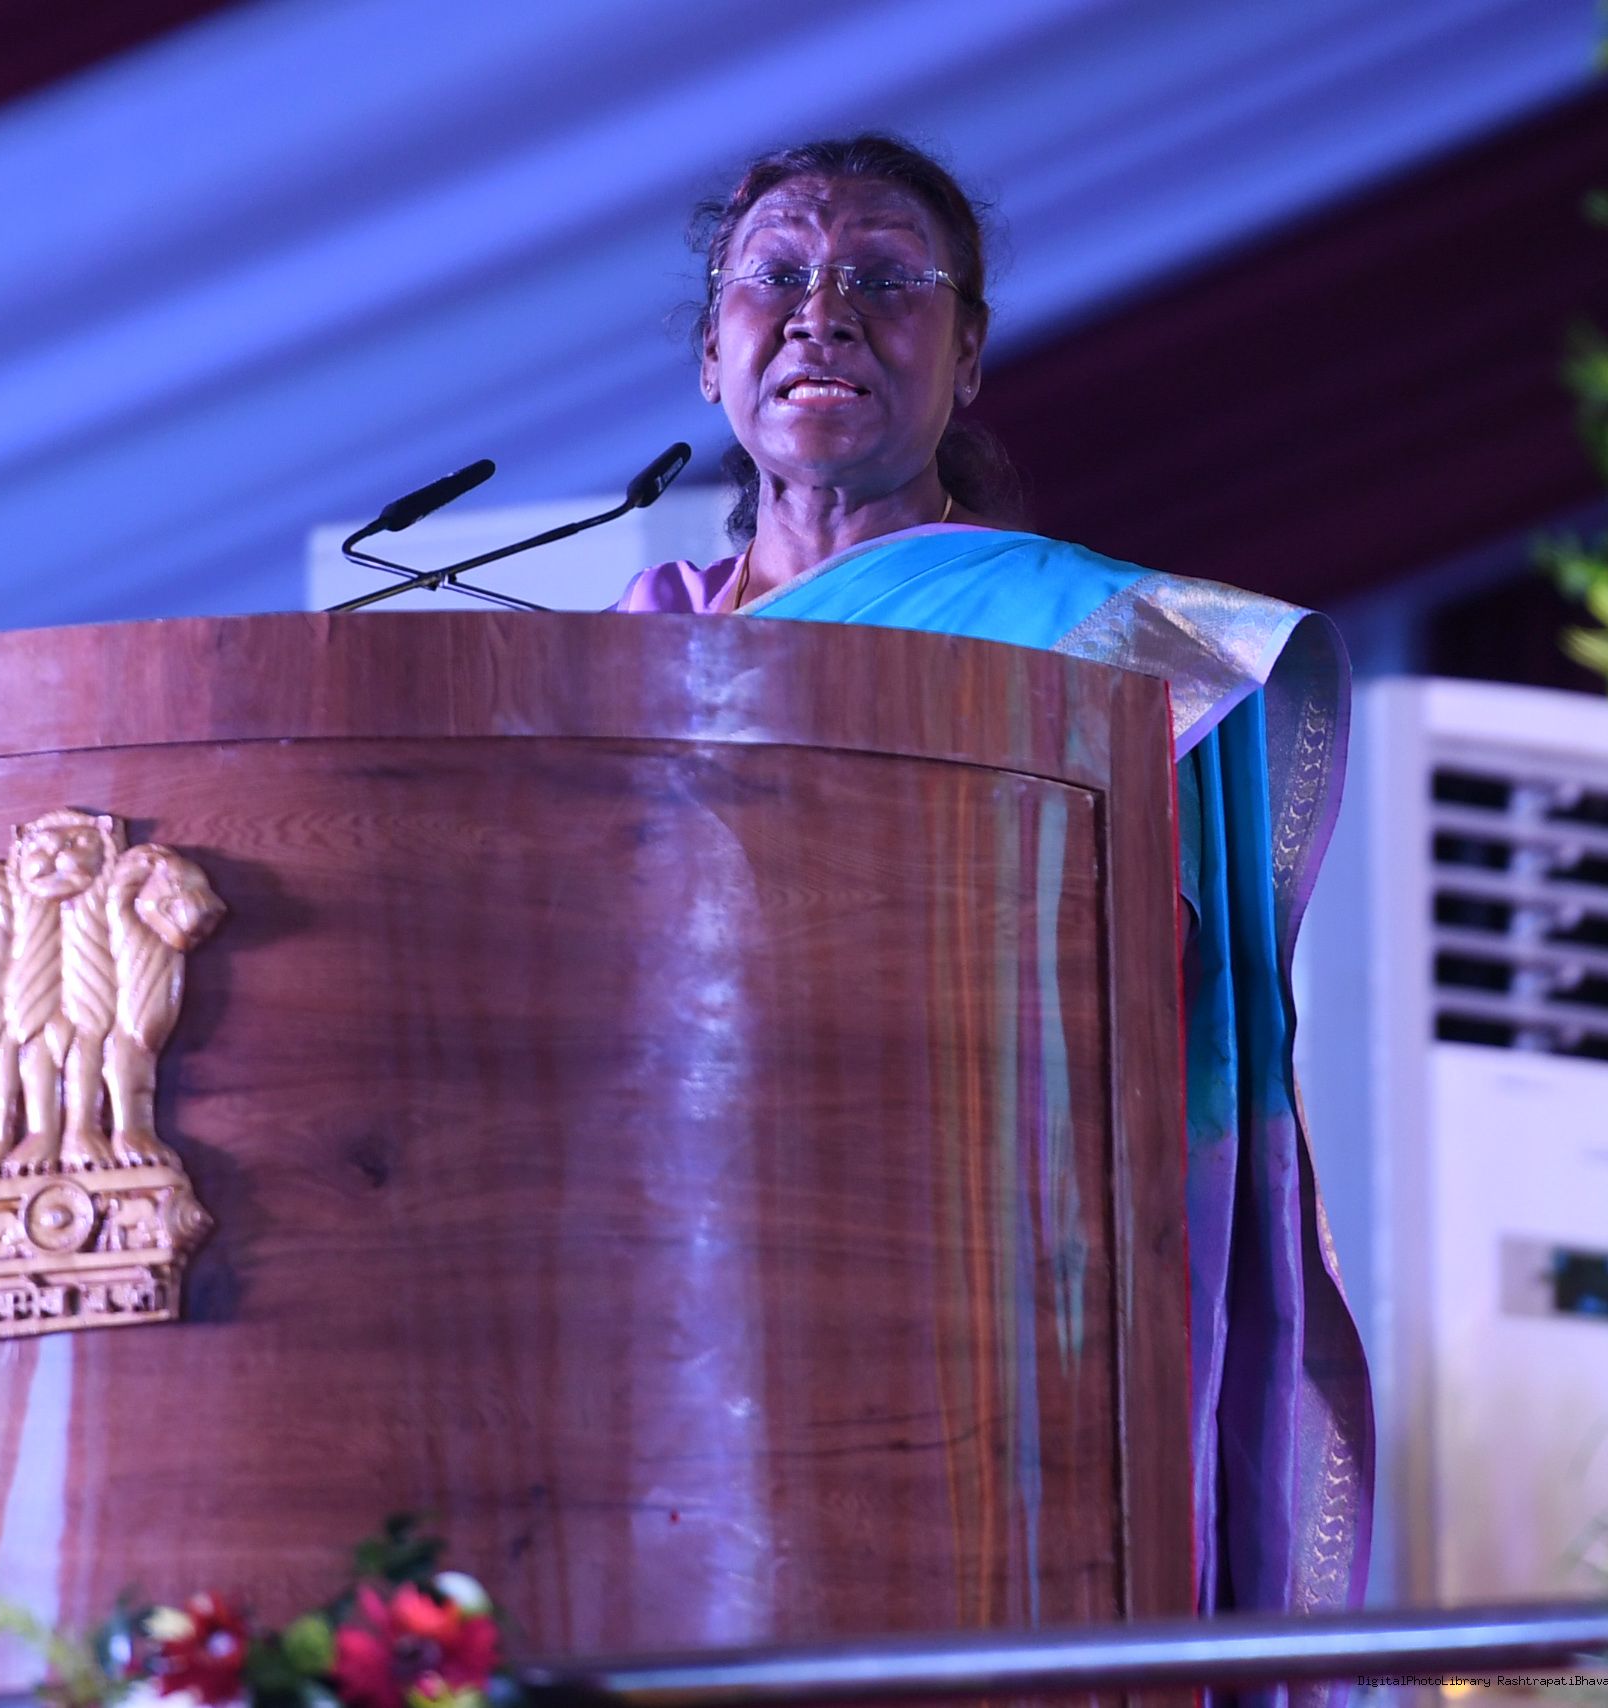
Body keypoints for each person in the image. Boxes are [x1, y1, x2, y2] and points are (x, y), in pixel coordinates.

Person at [618, 136, 1373, 1638]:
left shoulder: (1096, 642)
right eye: (776, 275)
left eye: (883, 279)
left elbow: (1147, 972)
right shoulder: (626, 653)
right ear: (711, 355)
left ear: (965, 359)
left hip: (970, 1263)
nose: (822, 312)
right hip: (666, 1260)